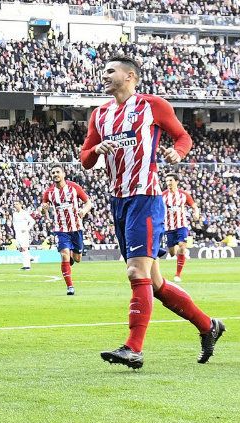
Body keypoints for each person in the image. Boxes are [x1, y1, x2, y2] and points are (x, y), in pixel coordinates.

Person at [81, 56, 224, 369]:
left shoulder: (153, 105)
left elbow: (183, 136)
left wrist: (179, 151)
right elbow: (85, 159)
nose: (104, 75)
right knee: (155, 284)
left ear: (130, 75)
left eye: (110, 70)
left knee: (136, 272)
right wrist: (96, 150)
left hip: (146, 197)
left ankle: (134, 347)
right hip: (117, 200)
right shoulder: (100, 115)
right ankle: (208, 326)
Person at [40, 165, 92, 295]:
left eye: (58, 172)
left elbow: (88, 202)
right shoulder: (49, 193)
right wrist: (44, 211)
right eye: (53, 172)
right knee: (64, 255)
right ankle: (70, 287)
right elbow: (43, 209)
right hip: (60, 229)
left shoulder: (74, 187)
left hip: (76, 228)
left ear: (63, 174)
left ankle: (72, 258)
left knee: (78, 258)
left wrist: (84, 211)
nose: (55, 174)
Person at [162, 173, 200, 282]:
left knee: (182, 246)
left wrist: (196, 213)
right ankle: (178, 252)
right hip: (168, 228)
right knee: (172, 252)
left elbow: (194, 206)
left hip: (181, 225)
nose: (168, 183)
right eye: (167, 181)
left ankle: (178, 275)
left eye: (170, 180)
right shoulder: (163, 195)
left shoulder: (184, 195)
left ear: (176, 182)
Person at [12, 201, 35, 270]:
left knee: (24, 248)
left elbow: (32, 221)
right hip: (17, 233)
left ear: (20, 205)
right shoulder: (14, 214)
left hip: (23, 233)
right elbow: (14, 223)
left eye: (17, 204)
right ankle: (30, 257)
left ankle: (27, 266)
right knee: (20, 248)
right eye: (14, 204)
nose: (15, 205)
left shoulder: (24, 213)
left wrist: (26, 229)